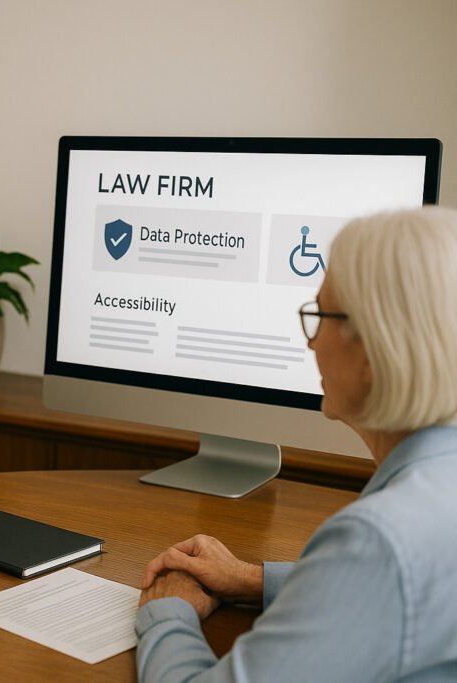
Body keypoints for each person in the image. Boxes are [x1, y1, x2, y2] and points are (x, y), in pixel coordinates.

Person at [135, 206, 457, 681]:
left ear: (374, 349)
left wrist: (166, 611)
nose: (311, 343)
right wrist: (252, 580)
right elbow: (390, 590)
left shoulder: (378, 540)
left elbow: (380, 571)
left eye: (320, 316)